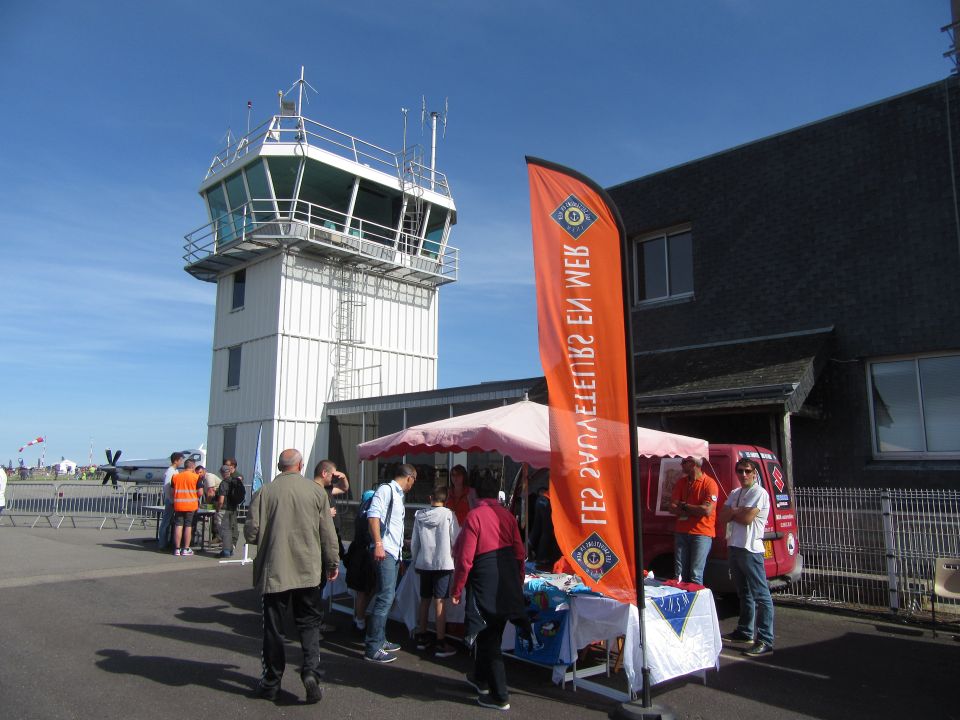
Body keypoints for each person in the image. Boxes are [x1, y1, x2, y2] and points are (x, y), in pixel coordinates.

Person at [244, 448, 340, 703]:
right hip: (308, 569)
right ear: (300, 465)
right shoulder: (316, 492)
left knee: (273, 629)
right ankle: (310, 671)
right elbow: (327, 533)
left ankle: (272, 681)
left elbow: (251, 533)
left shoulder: (264, 492)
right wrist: (332, 562)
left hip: (275, 570)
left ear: (279, 466)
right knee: (309, 624)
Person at [451, 471, 527, 711]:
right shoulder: (507, 515)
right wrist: (519, 580)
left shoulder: (475, 516)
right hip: (507, 578)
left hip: (485, 579)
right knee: (492, 632)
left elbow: (465, 559)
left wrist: (457, 588)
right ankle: (480, 678)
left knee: (488, 636)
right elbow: (520, 553)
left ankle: (499, 695)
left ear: (475, 492)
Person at [718, 458, 775, 657]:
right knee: (743, 592)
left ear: (754, 473)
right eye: (740, 471)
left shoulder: (760, 493)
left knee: (761, 594)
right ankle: (745, 631)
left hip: (751, 549)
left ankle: (765, 639)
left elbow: (748, 519)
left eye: (747, 471)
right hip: (734, 546)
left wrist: (735, 512)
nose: (743, 475)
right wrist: (736, 511)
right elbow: (722, 517)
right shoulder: (735, 493)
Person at [364, 463, 416, 664]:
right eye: (414, 480)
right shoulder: (386, 490)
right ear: (409, 477)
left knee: (386, 595)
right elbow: (373, 517)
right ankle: (373, 646)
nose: (413, 484)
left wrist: (400, 557)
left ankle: (379, 639)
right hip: (385, 550)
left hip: (392, 552)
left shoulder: (398, 495)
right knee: (385, 597)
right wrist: (378, 544)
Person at [410, 485, 459, 658]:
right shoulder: (449, 515)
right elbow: (456, 539)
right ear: (445, 499)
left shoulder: (419, 515)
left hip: (424, 562)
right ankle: (440, 640)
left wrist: (415, 559)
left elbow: (414, 542)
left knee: (424, 600)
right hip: (443, 563)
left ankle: (422, 635)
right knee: (440, 602)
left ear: (431, 497)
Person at [667, 456, 719, 585]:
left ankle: (696, 604)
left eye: (684, 462)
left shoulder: (709, 483)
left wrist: (684, 506)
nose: (681, 465)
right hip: (682, 532)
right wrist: (695, 510)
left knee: (696, 574)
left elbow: (706, 510)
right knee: (679, 574)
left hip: (701, 533)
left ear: (694, 464)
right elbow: (672, 507)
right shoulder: (681, 482)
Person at [344, 489, 376, 635]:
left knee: (362, 591)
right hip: (365, 556)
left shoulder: (360, 512)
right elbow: (369, 535)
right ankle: (360, 622)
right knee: (365, 590)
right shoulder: (369, 514)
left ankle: (358, 618)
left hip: (357, 554)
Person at [170, 459, 202, 556]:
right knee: (188, 526)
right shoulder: (196, 477)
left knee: (178, 526)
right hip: (191, 505)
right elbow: (200, 493)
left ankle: (177, 548)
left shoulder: (175, 477)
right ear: (193, 466)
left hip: (178, 505)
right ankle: (186, 548)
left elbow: (172, 492)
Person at [528, 486, 562, 571]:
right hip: (548, 500)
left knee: (537, 529)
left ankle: (527, 551)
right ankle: (543, 558)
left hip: (542, 499)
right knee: (547, 532)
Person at [158, 452, 184, 551]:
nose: (181, 462)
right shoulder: (170, 472)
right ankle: (162, 544)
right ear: (176, 460)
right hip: (171, 500)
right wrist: (171, 499)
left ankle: (167, 541)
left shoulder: (175, 471)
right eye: (181, 460)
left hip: (173, 500)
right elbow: (167, 487)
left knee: (169, 521)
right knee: (166, 521)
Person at [216, 464, 242, 558]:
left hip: (224, 509)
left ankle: (226, 551)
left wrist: (217, 509)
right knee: (230, 529)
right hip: (233, 508)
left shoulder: (223, 483)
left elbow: (221, 500)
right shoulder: (234, 481)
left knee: (224, 530)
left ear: (223, 473)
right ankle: (230, 549)